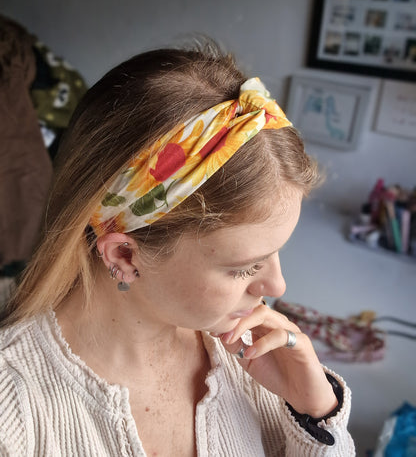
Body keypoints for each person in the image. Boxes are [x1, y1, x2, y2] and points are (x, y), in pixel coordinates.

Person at [0, 42, 355, 456]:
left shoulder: (256, 355)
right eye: (244, 267)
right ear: (124, 257)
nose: (277, 284)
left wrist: (314, 413)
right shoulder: (16, 416)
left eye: (275, 254)